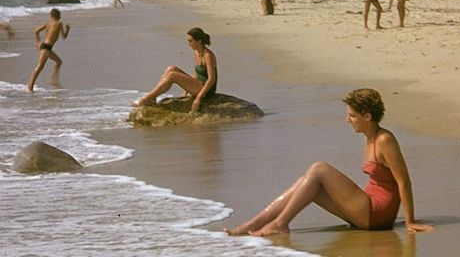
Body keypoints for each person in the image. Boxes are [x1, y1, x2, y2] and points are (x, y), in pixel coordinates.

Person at [225, 88, 434, 236]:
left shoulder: (384, 140)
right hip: (366, 211)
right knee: (307, 183)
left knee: (319, 168)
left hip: (377, 212)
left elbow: (403, 181)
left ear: (367, 115)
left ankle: (280, 224)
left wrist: (410, 221)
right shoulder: (369, 137)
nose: (347, 120)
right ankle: (253, 225)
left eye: (352, 116)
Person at [132, 27, 217, 113]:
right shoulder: (197, 53)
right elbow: (197, 73)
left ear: (199, 41)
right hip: (198, 84)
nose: (188, 43)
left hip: (206, 89)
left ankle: (147, 99)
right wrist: (186, 92)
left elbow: (211, 79)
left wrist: (198, 98)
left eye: (190, 41)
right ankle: (153, 97)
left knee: (172, 75)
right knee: (171, 68)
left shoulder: (208, 56)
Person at [27, 8, 71, 92]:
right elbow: (64, 37)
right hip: (46, 47)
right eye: (60, 15)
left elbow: (36, 31)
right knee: (39, 66)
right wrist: (68, 29)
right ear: (57, 16)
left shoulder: (48, 23)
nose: (60, 17)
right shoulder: (59, 23)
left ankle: (53, 80)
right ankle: (30, 87)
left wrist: (38, 42)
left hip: (46, 47)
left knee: (59, 62)